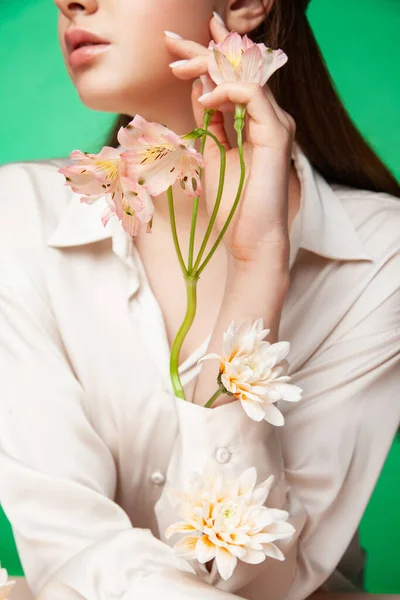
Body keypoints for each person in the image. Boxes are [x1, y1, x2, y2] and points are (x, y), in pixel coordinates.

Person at [0, 1, 399, 599]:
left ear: (243, 4)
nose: (70, 1)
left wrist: (256, 267)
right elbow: (74, 547)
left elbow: (262, 583)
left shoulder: (382, 256)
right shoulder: (19, 218)